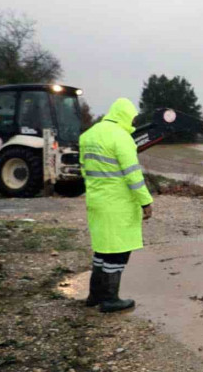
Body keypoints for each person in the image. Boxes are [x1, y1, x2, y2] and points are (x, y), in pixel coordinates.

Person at [79, 98, 153, 312]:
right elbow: (133, 175)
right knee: (118, 251)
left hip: (96, 201)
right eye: (132, 117)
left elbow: (84, 170)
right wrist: (145, 201)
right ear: (124, 115)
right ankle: (110, 299)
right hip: (117, 203)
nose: (134, 121)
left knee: (102, 249)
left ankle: (94, 295)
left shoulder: (88, 135)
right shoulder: (122, 138)